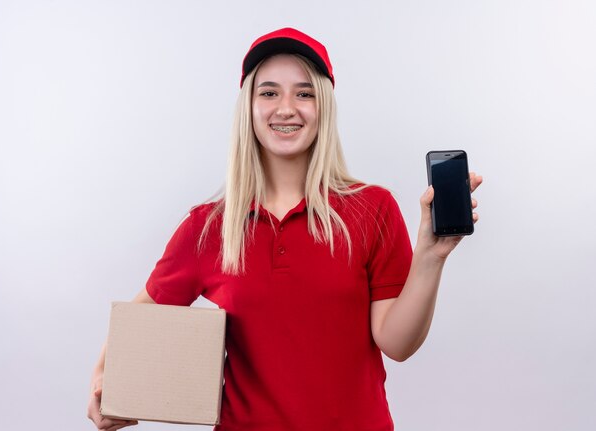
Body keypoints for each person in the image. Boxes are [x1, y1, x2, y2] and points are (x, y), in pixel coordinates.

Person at [87, 27, 483, 431]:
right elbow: (136, 323)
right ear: (250, 107)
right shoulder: (208, 227)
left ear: (323, 107)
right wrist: (104, 381)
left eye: (304, 93)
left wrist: (431, 258)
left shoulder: (372, 209)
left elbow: (397, 344)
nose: (287, 108)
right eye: (269, 92)